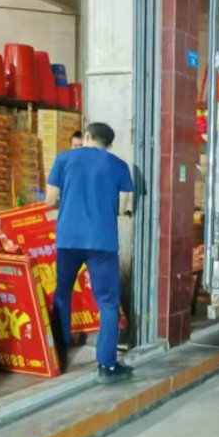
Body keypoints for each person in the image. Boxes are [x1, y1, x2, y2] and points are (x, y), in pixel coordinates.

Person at [45, 122, 134, 383]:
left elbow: (49, 200)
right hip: (102, 242)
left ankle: (59, 359)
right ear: (109, 144)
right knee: (108, 303)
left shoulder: (63, 159)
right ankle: (106, 366)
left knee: (62, 295)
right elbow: (122, 208)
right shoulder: (119, 166)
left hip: (68, 239)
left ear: (86, 136)